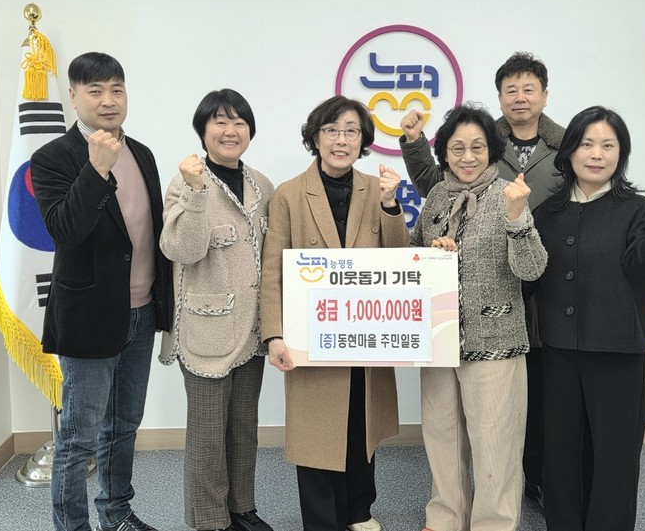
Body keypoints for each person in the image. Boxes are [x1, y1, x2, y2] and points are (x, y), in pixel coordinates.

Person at [400, 51, 564, 508]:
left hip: (499, 334)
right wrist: (431, 256)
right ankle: (447, 514)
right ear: (445, 153)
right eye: (457, 148)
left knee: (496, 441)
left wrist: (518, 219)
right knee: (442, 436)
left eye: (477, 147)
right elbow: (412, 258)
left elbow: (531, 267)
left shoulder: (511, 192)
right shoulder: (437, 195)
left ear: (493, 150)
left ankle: (496, 518)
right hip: (439, 339)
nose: (467, 156)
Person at [526, 106, 645, 531]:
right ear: (569, 151)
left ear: (621, 154)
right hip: (557, 353)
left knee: (614, 458)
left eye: (608, 145)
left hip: (618, 354)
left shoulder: (638, 210)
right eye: (586, 144)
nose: (596, 154)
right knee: (560, 455)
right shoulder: (546, 213)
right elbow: (527, 277)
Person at [30, 52, 173, 531]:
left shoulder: (143, 154)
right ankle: (72, 526)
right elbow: (64, 232)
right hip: (89, 317)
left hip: (142, 313)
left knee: (124, 426)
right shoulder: (52, 158)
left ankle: (115, 513)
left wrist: (166, 311)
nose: (108, 100)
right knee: (78, 439)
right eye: (95, 91)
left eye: (116, 89)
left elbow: (153, 235)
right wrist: (96, 172)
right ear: (73, 97)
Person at [259, 95, 410, 531]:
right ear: (315, 137)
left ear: (363, 140)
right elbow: (273, 270)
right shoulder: (289, 194)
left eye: (351, 131)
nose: (341, 140)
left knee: (360, 426)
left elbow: (399, 259)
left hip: (364, 334)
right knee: (316, 433)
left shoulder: (376, 189)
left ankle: (359, 512)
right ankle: (323, 521)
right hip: (310, 336)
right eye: (331, 130)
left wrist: (390, 206)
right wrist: (274, 334)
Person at [159, 89, 274, 531]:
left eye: (239, 122)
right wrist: (195, 192)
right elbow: (183, 250)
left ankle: (242, 508)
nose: (230, 130)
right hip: (205, 328)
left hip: (252, 329)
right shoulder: (184, 182)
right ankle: (210, 520)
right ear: (203, 130)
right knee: (208, 435)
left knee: (244, 427)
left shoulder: (261, 184)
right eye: (220, 122)